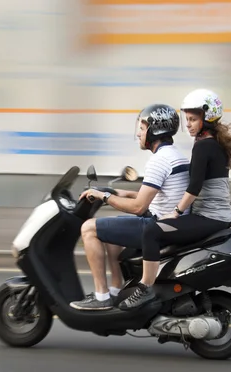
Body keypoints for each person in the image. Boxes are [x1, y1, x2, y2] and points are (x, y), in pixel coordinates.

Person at [118, 89, 231, 311]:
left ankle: (145, 288)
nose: (189, 124)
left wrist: (175, 212)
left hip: (210, 217)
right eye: (187, 119)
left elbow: (194, 187)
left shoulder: (204, 146)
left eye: (193, 119)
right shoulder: (211, 143)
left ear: (208, 118)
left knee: (152, 231)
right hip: (216, 216)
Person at [69, 103, 190, 311]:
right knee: (113, 226)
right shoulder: (174, 155)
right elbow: (159, 196)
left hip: (157, 227)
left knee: (89, 228)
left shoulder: (159, 161)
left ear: (155, 131)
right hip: (170, 223)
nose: (138, 134)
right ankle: (116, 288)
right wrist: (122, 193)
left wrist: (105, 196)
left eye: (142, 129)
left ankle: (101, 296)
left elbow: (138, 207)